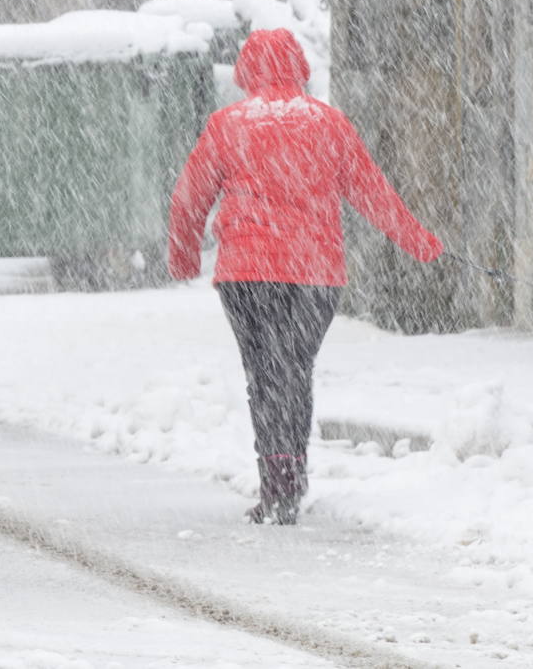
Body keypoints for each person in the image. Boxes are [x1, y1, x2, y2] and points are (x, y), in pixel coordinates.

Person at [167, 28, 443, 525]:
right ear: (301, 68)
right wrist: (419, 243)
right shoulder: (328, 124)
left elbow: (188, 199)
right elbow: (372, 192)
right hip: (314, 275)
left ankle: (279, 481)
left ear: (246, 72)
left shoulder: (228, 125)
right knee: (294, 369)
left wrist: (185, 257)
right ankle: (291, 475)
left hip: (247, 274)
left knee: (265, 374)